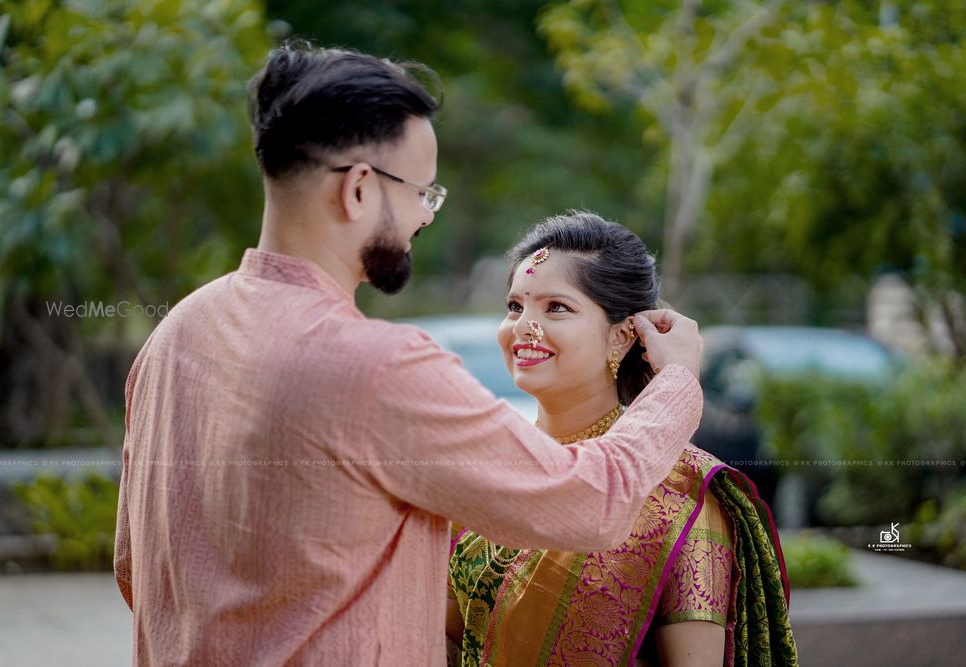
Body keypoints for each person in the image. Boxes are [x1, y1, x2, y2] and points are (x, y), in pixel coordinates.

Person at [114, 42, 706, 665]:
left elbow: (136, 566)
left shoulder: (177, 333)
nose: (425, 217)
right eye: (423, 192)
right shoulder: (376, 367)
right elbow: (594, 501)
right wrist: (678, 381)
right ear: (360, 191)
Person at [446, 212, 798, 667]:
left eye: (556, 307)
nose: (522, 328)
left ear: (623, 335)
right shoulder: (489, 468)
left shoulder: (681, 496)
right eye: (516, 306)